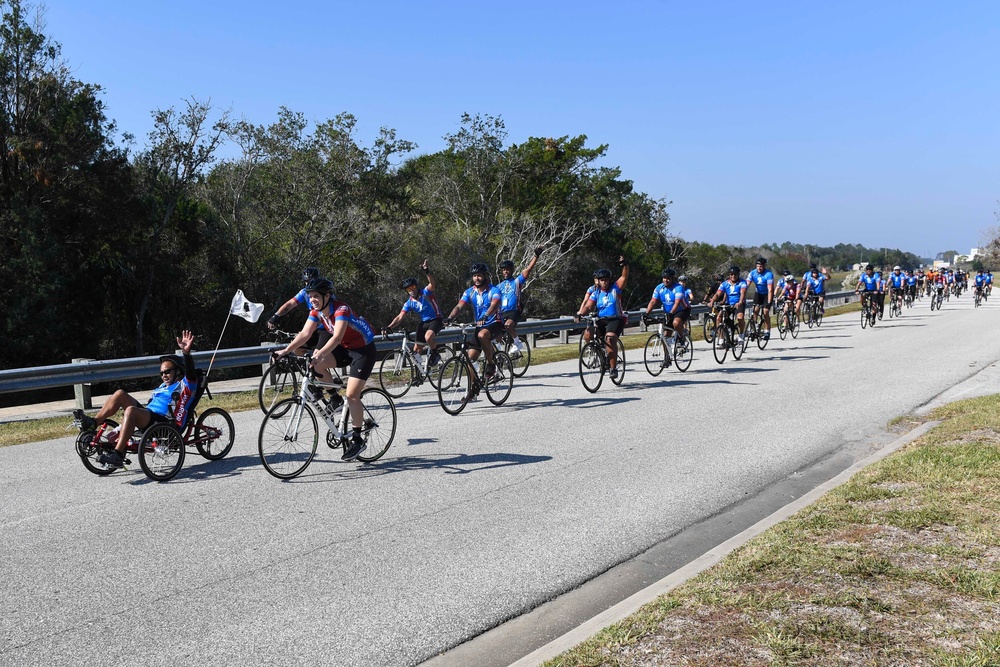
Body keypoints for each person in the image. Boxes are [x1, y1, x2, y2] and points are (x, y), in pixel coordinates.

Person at [274, 278, 376, 461]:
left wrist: (319, 353)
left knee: (352, 395)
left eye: (316, 296)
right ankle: (334, 397)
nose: (312, 300)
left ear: (327, 296)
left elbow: (336, 338)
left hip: (363, 350)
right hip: (345, 348)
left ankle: (358, 439)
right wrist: (285, 351)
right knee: (318, 365)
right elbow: (305, 334)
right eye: (310, 296)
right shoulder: (316, 312)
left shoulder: (341, 309)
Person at [72, 331, 198, 469]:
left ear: (178, 371)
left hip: (166, 422)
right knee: (120, 393)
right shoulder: (162, 387)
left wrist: (186, 354)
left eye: (167, 372)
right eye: (161, 373)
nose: (164, 375)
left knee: (131, 411)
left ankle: (118, 455)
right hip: (149, 416)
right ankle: (93, 423)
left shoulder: (184, 385)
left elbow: (191, 373)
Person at [382, 260, 443, 371]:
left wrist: (427, 271)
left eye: (413, 287)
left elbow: (433, 284)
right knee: (416, 350)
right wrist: (389, 326)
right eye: (409, 289)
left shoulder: (426, 293)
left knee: (428, 337)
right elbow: (400, 317)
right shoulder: (409, 302)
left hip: (436, 319)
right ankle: (418, 372)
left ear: (416, 286)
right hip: (424, 322)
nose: (411, 290)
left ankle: (435, 353)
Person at [576, 256, 629, 380]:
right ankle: (598, 353)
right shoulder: (596, 293)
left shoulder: (616, 288)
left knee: (610, 339)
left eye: (606, 280)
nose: (604, 282)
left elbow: (624, 277)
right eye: (601, 280)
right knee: (588, 334)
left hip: (615, 318)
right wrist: (580, 314)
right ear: (598, 281)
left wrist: (625, 265)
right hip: (601, 319)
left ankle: (613, 368)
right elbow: (588, 306)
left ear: (609, 280)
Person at [446, 262, 503, 379]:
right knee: (470, 358)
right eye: (474, 276)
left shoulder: (494, 290)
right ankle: (473, 391)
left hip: (495, 323)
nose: (476, 278)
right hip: (480, 325)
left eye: (479, 275)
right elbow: (459, 306)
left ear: (485, 276)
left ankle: (491, 364)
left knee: (482, 335)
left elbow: (495, 304)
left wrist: (486, 315)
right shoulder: (469, 292)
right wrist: (450, 317)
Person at [267, 266, 332, 356]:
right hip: (314, 326)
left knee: (317, 355)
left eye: (311, 280)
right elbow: (289, 304)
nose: (308, 284)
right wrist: (276, 315)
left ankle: (316, 366)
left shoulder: (324, 293)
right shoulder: (304, 292)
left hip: (326, 329)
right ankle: (309, 368)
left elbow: (327, 315)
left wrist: (309, 328)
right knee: (297, 348)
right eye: (306, 281)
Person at [497, 246, 544, 359]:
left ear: (512, 270)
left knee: (508, 325)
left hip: (514, 311)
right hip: (502, 312)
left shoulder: (517, 281)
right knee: (495, 337)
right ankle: (500, 357)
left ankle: (518, 343)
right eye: (503, 270)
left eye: (507, 269)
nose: (505, 271)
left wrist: (536, 256)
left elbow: (528, 270)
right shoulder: (499, 286)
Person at [643, 268, 689, 360]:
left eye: (668, 278)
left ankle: (681, 338)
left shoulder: (678, 287)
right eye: (664, 278)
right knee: (665, 335)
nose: (666, 280)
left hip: (682, 310)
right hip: (669, 312)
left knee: (676, 323)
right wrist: (646, 313)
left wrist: (671, 313)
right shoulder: (659, 288)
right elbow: (653, 301)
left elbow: (677, 302)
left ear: (672, 279)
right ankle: (667, 358)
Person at [707, 265, 748, 340]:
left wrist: (740, 302)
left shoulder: (742, 282)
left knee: (740, 318)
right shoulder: (725, 284)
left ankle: (741, 334)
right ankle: (721, 338)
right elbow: (717, 294)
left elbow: (743, 293)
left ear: (738, 274)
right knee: (719, 317)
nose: (733, 276)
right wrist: (712, 301)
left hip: (739, 303)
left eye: (735, 274)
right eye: (731, 274)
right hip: (728, 304)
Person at [746, 257, 775, 340]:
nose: (759, 268)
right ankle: (754, 327)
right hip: (758, 293)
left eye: (761, 266)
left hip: (767, 294)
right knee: (755, 310)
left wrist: (769, 302)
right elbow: (746, 285)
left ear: (764, 266)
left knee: (765, 312)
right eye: (758, 266)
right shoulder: (752, 273)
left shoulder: (768, 274)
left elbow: (770, 290)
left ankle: (767, 331)